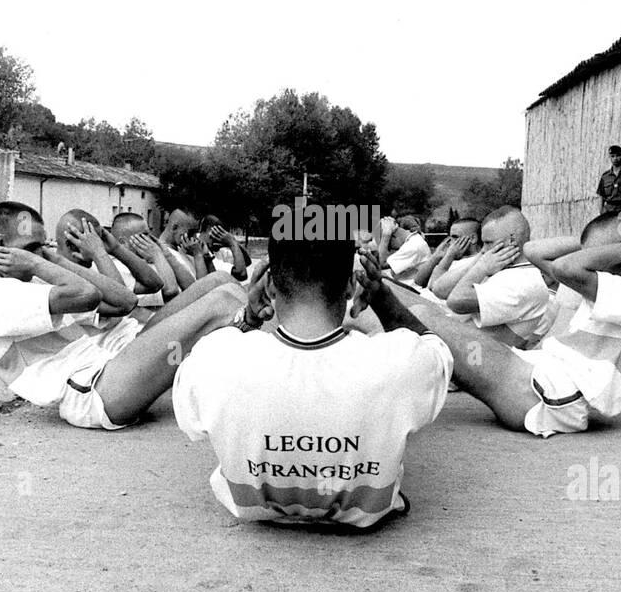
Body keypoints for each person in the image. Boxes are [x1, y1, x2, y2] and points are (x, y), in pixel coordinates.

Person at [172, 215, 454, 529]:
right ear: (350, 285)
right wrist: (382, 297)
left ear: (269, 285)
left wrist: (247, 320)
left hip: (252, 512)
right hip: (368, 520)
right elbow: (437, 350)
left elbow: (193, 421)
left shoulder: (215, 358)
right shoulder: (401, 360)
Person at [376, 210, 621, 438]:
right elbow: (534, 250)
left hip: (545, 395)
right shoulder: (614, 286)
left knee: (414, 312)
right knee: (394, 293)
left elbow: (563, 266)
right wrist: (602, 241)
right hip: (536, 374)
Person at [0, 201, 247, 431]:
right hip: (93, 395)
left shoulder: (24, 282)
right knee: (221, 302)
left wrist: (53, 258)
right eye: (31, 248)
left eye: (42, 246)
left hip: (112, 369)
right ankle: (268, 380)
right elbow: (86, 294)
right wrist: (41, 262)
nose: (39, 255)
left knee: (218, 282)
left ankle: (261, 373)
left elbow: (125, 300)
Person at [441, 206, 557, 348]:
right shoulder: (500, 268)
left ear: (511, 241)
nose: (483, 250)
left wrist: (481, 268)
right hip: (464, 344)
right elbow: (439, 289)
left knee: (419, 310)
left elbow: (455, 301)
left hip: (476, 355)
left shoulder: (524, 281)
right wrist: (480, 261)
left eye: (488, 242)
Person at [108, 211, 180, 318]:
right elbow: (171, 291)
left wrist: (164, 254)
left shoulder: (143, 260)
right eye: (144, 236)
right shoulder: (118, 267)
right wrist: (157, 254)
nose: (150, 240)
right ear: (123, 242)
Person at [414, 217, 482, 299]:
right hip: (421, 298)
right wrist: (436, 256)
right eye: (449, 237)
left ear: (472, 238)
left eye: (455, 237)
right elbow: (418, 281)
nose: (450, 242)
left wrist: (449, 256)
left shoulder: (474, 263)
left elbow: (434, 287)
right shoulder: (450, 257)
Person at [376, 214, 431, 284]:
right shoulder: (415, 240)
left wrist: (385, 236)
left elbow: (381, 264)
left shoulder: (412, 246)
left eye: (390, 246)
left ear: (393, 236)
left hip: (414, 290)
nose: (393, 249)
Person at [197, 214, 250, 282]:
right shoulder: (203, 251)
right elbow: (242, 274)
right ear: (212, 231)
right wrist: (232, 243)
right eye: (222, 232)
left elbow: (247, 261)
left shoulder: (216, 249)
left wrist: (232, 241)